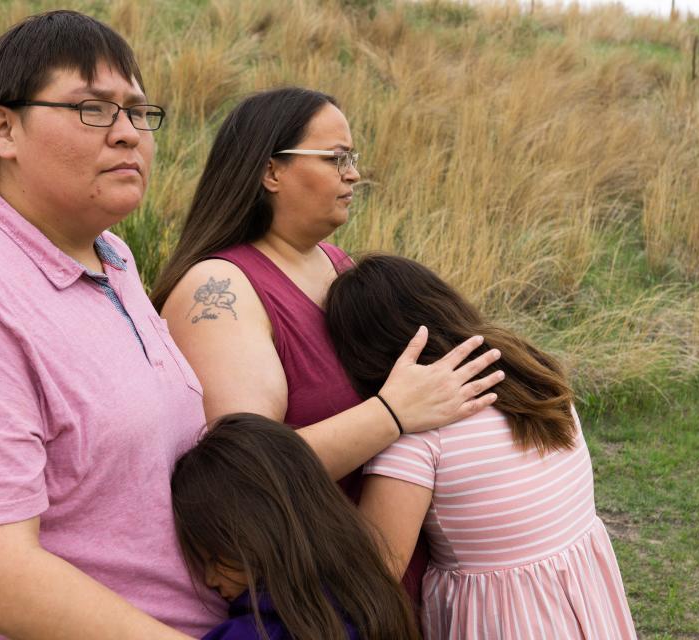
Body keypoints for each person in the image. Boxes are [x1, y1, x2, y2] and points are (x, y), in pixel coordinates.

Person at [0, 10, 219, 639]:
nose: (128, 134)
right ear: (3, 129)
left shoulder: (111, 255)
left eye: (139, 113)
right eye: (92, 109)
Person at [152, 87, 505, 604]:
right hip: (317, 605)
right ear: (271, 172)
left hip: (388, 583)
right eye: (336, 158)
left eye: (353, 158)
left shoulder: (337, 264)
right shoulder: (218, 291)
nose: (354, 174)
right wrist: (392, 413)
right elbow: (242, 476)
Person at [324, 254, 638, 640]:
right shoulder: (529, 368)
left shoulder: (416, 436)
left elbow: (376, 571)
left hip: (503, 619)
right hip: (581, 598)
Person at [171, 413, 420, 640]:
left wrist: (129, 619)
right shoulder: (372, 600)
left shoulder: (261, 633)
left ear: (264, 530)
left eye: (216, 557)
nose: (210, 579)